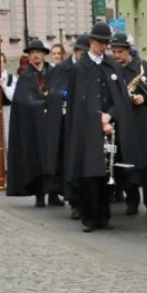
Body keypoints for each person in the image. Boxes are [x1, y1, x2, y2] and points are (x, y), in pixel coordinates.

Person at [65, 23, 138, 233]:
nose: (102, 46)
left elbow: (121, 98)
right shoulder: (79, 68)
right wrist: (96, 118)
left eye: (106, 42)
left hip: (109, 130)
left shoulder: (112, 66)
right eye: (99, 42)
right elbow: (77, 102)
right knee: (89, 173)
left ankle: (104, 216)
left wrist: (110, 115)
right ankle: (89, 217)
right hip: (87, 131)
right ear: (90, 42)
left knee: (108, 173)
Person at [110, 33, 147, 216]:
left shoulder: (143, 67)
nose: (116, 55)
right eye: (114, 51)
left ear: (128, 51)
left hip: (142, 121)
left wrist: (143, 97)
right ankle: (131, 201)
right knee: (125, 163)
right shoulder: (111, 69)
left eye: (119, 52)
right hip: (122, 121)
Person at [7, 39, 62, 207]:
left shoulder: (52, 72)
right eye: (32, 53)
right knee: (37, 159)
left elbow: (59, 90)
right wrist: (41, 102)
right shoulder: (26, 76)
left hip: (52, 122)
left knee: (54, 157)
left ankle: (54, 194)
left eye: (38, 52)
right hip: (34, 126)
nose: (35, 56)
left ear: (44, 54)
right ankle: (40, 194)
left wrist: (54, 98)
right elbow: (22, 100)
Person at [49, 34, 89, 220]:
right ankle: (74, 202)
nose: (86, 55)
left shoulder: (90, 67)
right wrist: (64, 95)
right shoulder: (62, 68)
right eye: (83, 52)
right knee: (69, 163)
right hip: (67, 123)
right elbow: (54, 91)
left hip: (86, 122)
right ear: (75, 52)